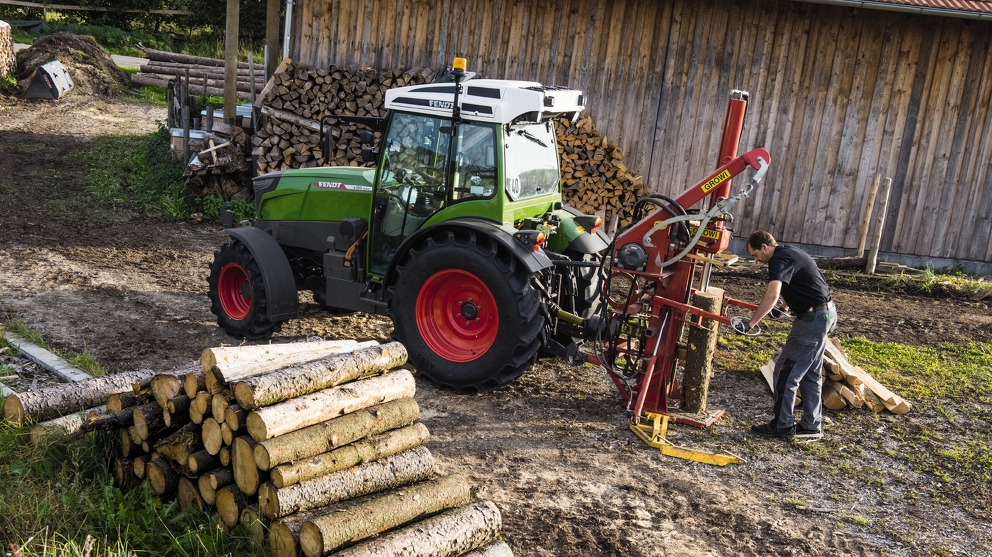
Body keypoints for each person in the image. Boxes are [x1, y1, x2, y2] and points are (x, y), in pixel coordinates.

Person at [741, 230, 836, 440]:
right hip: (825, 313)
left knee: (785, 373)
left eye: (755, 255)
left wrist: (751, 323)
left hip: (811, 321)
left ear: (764, 247)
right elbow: (803, 282)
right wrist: (785, 306)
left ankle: (781, 425)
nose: (756, 261)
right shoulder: (790, 252)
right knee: (811, 374)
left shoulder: (777, 261)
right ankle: (811, 425)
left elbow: (773, 293)